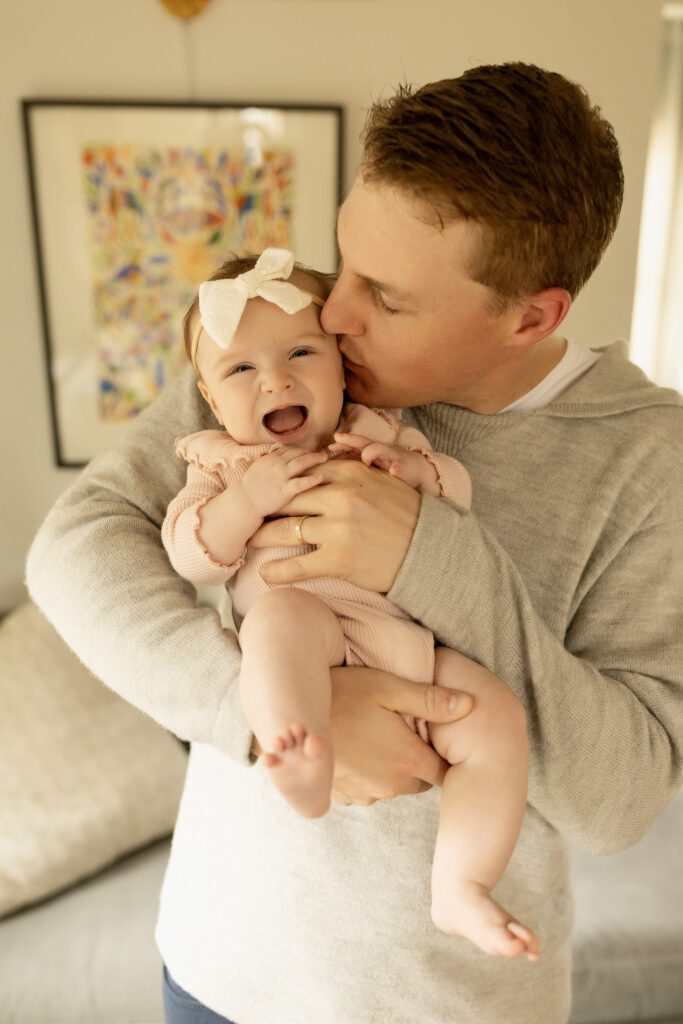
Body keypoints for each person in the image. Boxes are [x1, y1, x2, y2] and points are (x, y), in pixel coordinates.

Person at [26, 62, 683, 1024]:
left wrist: (431, 558)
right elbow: (72, 552)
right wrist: (258, 715)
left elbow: (619, 801)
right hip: (219, 973)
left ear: (528, 316)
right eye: (343, 262)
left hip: (453, 1005)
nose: (332, 317)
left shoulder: (650, 460)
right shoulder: (282, 362)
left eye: (385, 296)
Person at [162, 246, 537, 960]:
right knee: (274, 622)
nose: (274, 380)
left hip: (404, 641)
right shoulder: (220, 464)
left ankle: (460, 885)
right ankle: (298, 751)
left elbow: (455, 487)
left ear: (340, 367)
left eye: (300, 353)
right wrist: (247, 501)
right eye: (241, 370)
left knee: (495, 717)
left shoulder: (373, 433)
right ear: (211, 398)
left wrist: (412, 471)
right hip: (307, 635)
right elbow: (188, 551)